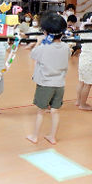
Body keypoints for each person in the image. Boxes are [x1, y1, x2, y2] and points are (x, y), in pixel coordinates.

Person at [26, 13, 70, 145]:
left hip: (45, 84)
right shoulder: (66, 47)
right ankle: (52, 136)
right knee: (55, 112)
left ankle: (35, 136)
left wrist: (39, 42)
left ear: (45, 32)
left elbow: (33, 55)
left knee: (41, 112)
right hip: (60, 84)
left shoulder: (43, 48)